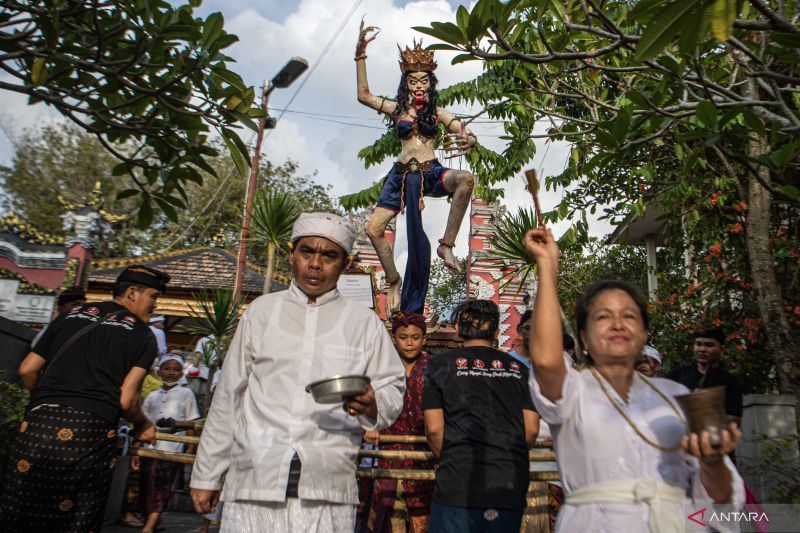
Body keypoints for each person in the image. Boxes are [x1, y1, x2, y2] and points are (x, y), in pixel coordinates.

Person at [190, 212, 406, 532]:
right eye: (307, 252)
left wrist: (375, 404)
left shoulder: (365, 324)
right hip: (254, 479)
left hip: (327, 485)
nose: (315, 264)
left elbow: (391, 386)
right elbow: (228, 398)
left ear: (344, 264)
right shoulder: (261, 314)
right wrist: (207, 475)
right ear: (292, 256)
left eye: (329, 255)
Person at [522, 225, 745, 532]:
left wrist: (712, 460)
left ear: (644, 335)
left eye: (629, 316)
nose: (617, 324)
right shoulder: (574, 389)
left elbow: (721, 499)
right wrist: (547, 267)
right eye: (603, 316)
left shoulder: (676, 394)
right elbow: (546, 361)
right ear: (583, 338)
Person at [1, 265, 169, 532]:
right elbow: (127, 400)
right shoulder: (142, 335)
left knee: (19, 509)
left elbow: (27, 369)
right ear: (133, 293)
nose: (155, 304)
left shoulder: (70, 315)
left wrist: (48, 403)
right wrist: (143, 425)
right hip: (89, 432)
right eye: (154, 296)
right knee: (76, 518)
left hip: (37, 425)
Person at [355, 19, 477, 314]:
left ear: (431, 83)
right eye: (413, 81)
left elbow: (462, 128)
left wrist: (469, 138)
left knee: (466, 180)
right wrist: (360, 56)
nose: (419, 86)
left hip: (430, 171)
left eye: (424, 81)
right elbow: (364, 95)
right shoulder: (397, 110)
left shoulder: (437, 112)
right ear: (406, 83)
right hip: (400, 174)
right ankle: (394, 279)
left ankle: (446, 243)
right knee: (374, 230)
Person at [422, 299, 540, 532]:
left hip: (457, 480)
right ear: (496, 332)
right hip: (507, 482)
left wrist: (449, 459)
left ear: (457, 329)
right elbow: (531, 430)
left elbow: (435, 430)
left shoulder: (439, 365)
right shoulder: (522, 371)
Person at [366, 312, 434, 533]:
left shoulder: (436, 369)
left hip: (424, 456)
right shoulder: (381, 369)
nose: (409, 342)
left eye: (415, 337)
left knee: (423, 520)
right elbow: (367, 403)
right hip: (388, 454)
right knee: (388, 518)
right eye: (403, 337)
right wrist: (371, 425)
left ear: (424, 339)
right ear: (394, 338)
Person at [134, 353, 200, 533]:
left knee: (162, 487)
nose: (171, 372)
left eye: (176, 369)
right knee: (146, 486)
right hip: (149, 448)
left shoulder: (186, 393)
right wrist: (137, 448)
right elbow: (143, 423)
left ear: (181, 373)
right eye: (167, 368)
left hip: (172, 449)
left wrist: (190, 447)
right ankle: (155, 521)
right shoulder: (152, 396)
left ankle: (148, 527)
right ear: (160, 370)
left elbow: (190, 422)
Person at [667, 328, 744, 425]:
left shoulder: (730, 382)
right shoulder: (678, 374)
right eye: (698, 344)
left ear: (722, 349)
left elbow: (734, 420)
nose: (702, 349)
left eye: (709, 345)